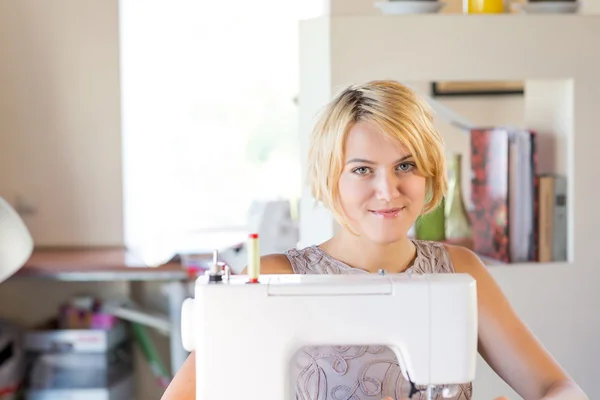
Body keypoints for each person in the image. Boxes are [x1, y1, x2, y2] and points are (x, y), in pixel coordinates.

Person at [161, 80, 588, 400]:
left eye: (406, 165)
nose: (388, 190)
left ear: (429, 173)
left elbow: (556, 386)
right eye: (363, 169)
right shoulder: (273, 278)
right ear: (332, 178)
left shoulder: (459, 272)